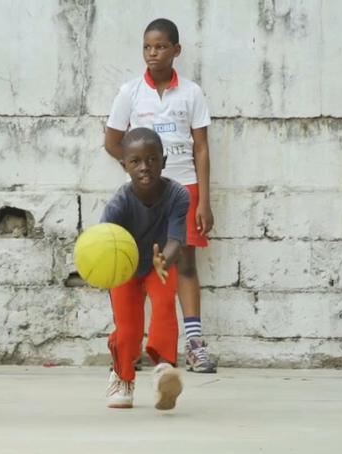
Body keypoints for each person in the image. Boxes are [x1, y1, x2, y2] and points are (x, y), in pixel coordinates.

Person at [104, 18, 216, 373]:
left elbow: (201, 148)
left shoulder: (192, 93)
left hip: (184, 188)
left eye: (161, 47)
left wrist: (205, 201)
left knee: (183, 263)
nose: (153, 53)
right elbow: (112, 140)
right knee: (136, 266)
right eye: (148, 47)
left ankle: (194, 343)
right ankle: (129, 342)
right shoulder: (131, 92)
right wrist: (139, 171)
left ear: (176, 51)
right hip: (145, 195)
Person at [101, 127, 188, 410]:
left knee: (164, 306)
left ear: (163, 161)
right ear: (124, 165)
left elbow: (176, 239)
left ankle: (165, 370)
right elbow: (103, 244)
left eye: (151, 159)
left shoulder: (177, 195)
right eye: (135, 161)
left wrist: (165, 259)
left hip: (160, 263)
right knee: (128, 329)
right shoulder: (119, 203)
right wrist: (101, 268)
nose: (144, 167)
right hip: (123, 267)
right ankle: (122, 376)